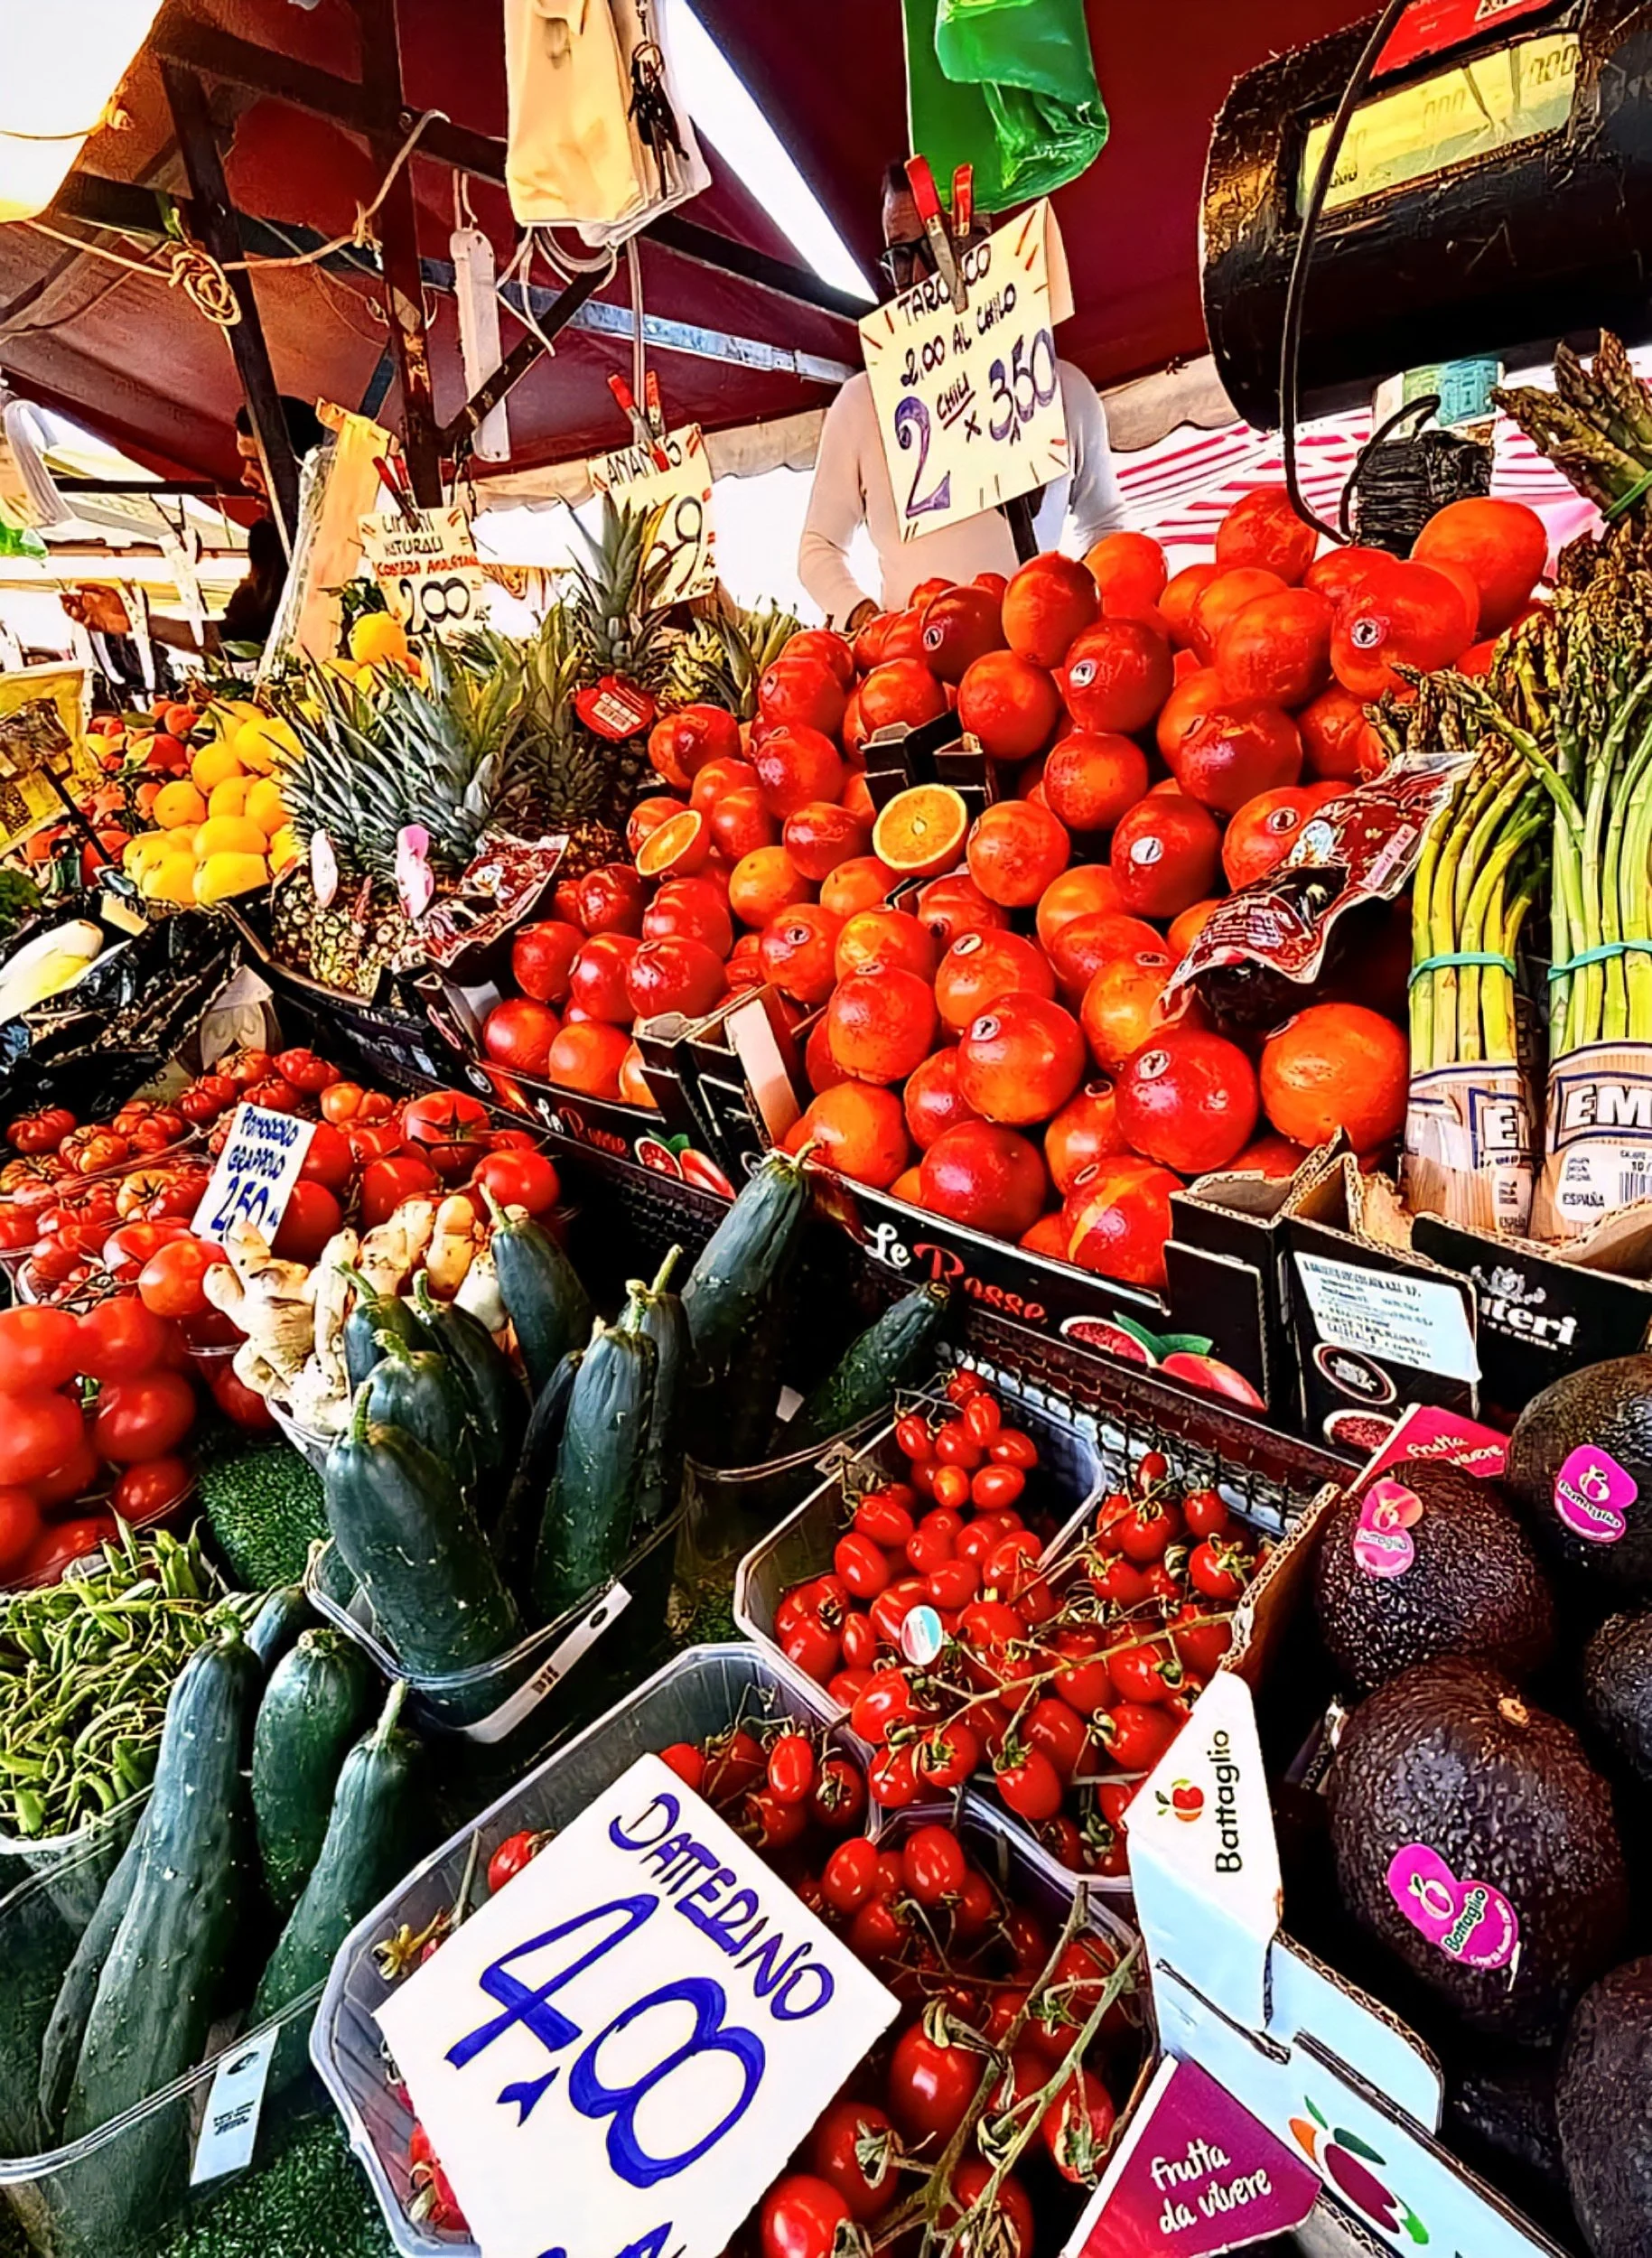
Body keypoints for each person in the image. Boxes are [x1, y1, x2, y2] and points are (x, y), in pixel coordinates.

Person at [799, 165, 1131, 627]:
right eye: (899, 255)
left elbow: (1106, 524)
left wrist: (1088, 610)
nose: (918, 274)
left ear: (984, 241)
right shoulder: (861, 405)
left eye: (938, 247)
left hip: (1040, 663)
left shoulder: (1064, 390)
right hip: (912, 675)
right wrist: (868, 621)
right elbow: (818, 547)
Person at [60, 396, 325, 658]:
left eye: (257, 464)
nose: (245, 479)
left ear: (303, 465)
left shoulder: (341, 530)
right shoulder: (267, 540)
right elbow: (235, 639)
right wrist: (136, 620)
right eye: (246, 462)